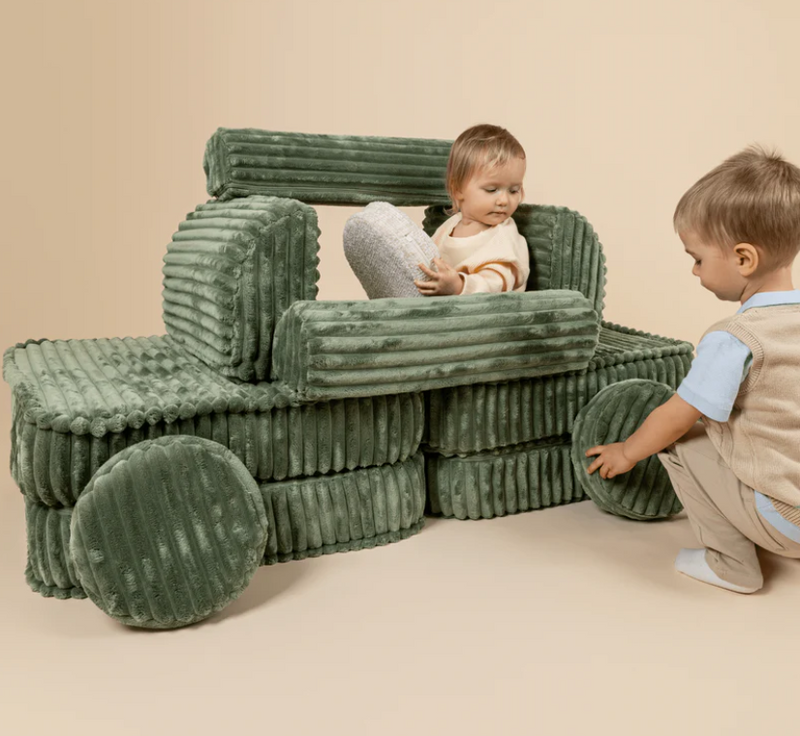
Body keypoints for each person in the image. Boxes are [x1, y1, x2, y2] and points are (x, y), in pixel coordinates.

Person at [585, 145, 800, 594]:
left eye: (698, 258)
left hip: (783, 519)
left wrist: (627, 452)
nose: (694, 271)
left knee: (680, 438)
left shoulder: (735, 339)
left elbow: (676, 416)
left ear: (743, 259)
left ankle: (731, 563)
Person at [414, 124, 530, 296]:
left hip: (486, 319)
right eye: (492, 190)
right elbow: (430, 260)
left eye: (514, 190)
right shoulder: (450, 226)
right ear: (458, 189)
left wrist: (460, 286)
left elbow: (497, 284)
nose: (504, 200)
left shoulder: (503, 236)